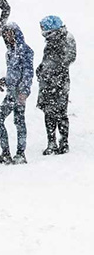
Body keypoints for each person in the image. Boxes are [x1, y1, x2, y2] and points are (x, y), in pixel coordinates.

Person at [0, 23, 34, 165]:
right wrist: (6, 80)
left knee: (12, 121)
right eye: (5, 34)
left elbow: (28, 73)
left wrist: (24, 91)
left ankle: (18, 154)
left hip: (18, 94)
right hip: (11, 92)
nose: (7, 37)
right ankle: (9, 153)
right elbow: (15, 72)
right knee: (10, 121)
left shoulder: (25, 51)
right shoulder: (10, 52)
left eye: (10, 33)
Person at [36, 15, 77, 155]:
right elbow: (49, 61)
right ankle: (55, 142)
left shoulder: (64, 39)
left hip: (57, 83)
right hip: (52, 82)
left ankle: (59, 142)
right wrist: (42, 68)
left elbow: (67, 59)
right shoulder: (54, 40)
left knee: (57, 113)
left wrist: (52, 72)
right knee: (53, 113)